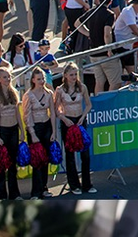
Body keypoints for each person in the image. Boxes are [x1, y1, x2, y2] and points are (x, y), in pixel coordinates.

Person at [54, 62, 96, 194]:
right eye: (71, 74)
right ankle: (74, 184)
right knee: (70, 154)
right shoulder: (60, 90)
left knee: (85, 154)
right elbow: (56, 109)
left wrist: (83, 117)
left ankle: (87, 184)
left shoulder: (82, 87)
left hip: (80, 120)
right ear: (65, 75)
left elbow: (88, 105)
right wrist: (64, 119)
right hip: (68, 122)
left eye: (75, 74)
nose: (73, 77)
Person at [0, 65, 23, 200]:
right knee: (1, 165)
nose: (8, 79)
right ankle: (0, 194)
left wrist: (21, 130)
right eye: (4, 77)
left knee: (12, 165)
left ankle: (15, 194)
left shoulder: (14, 92)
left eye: (9, 76)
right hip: (2, 131)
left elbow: (17, 113)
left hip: (13, 129)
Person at [22, 67, 56, 199]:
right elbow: (26, 115)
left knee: (45, 159)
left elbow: (52, 112)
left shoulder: (48, 93)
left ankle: (44, 187)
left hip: (46, 125)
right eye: (38, 79)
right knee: (37, 160)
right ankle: (35, 191)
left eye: (43, 78)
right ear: (33, 80)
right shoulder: (28, 95)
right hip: (34, 127)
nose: (41, 81)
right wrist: (32, 133)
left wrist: (53, 131)